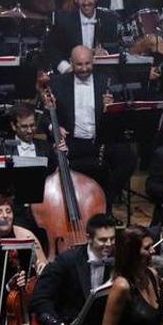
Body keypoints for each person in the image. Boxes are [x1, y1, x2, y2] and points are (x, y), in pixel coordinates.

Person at [45, 45, 135, 206]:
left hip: (100, 140)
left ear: (93, 61)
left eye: (88, 63)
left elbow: (123, 112)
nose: (85, 68)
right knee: (51, 158)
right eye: (79, 65)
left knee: (128, 157)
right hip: (72, 141)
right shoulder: (57, 83)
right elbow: (44, 116)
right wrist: (55, 128)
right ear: (71, 63)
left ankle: (104, 201)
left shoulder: (107, 80)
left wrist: (112, 106)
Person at [48, 0, 121, 71]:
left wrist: (105, 53)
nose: (86, 2)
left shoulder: (109, 20)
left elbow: (118, 47)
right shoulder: (64, 21)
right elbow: (52, 49)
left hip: (101, 73)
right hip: (71, 73)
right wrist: (66, 68)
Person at [0, 192, 48, 270]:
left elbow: (43, 265)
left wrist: (42, 266)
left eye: (8, 211)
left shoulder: (27, 235)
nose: (5, 216)